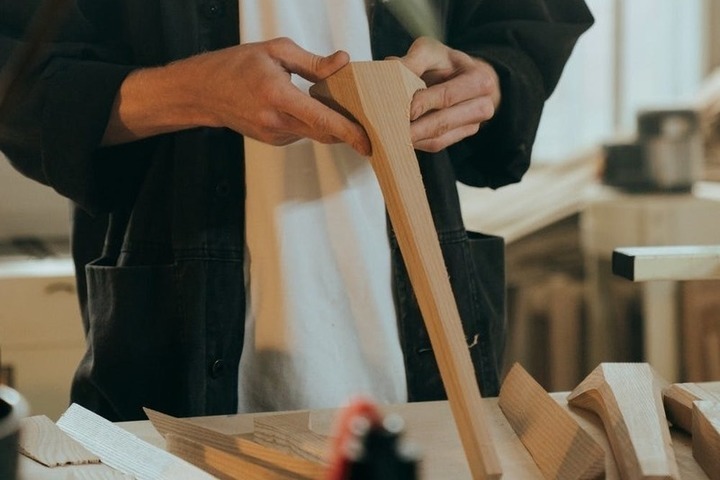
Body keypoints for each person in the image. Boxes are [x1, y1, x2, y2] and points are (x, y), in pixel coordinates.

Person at [0, 0, 593, 421]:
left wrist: (488, 81)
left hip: (423, 367)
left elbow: (525, 23)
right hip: (171, 350)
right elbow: (19, 85)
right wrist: (193, 90)